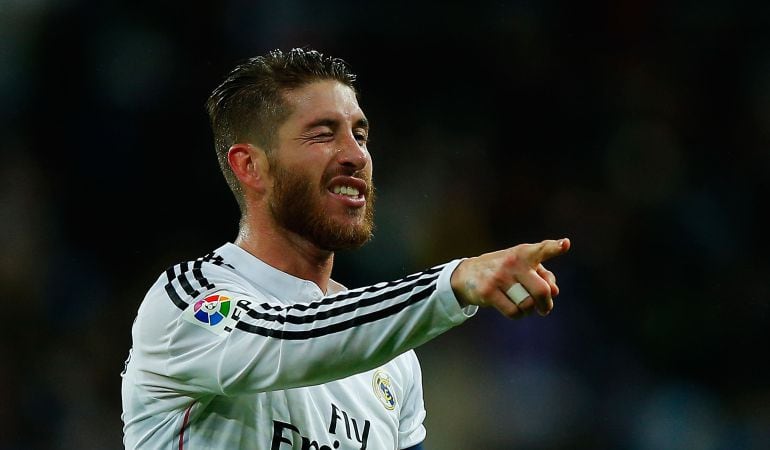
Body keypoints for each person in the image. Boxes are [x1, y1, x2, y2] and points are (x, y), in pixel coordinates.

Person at [121, 48, 571, 450]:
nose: (356, 155)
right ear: (251, 166)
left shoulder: (394, 363)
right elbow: (292, 338)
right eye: (322, 134)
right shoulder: (187, 303)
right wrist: (452, 282)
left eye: (360, 133)